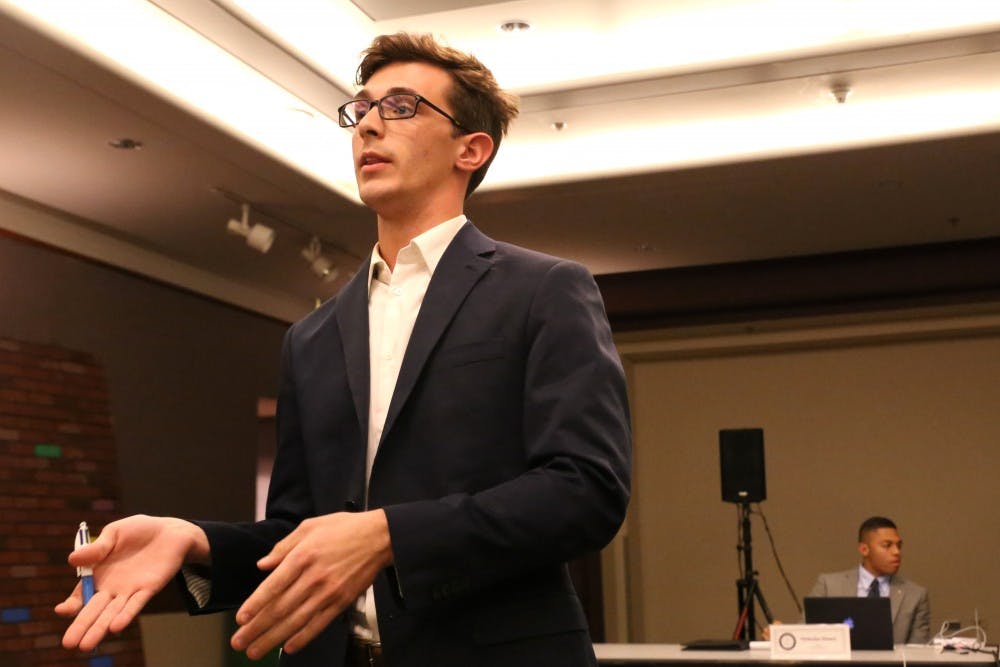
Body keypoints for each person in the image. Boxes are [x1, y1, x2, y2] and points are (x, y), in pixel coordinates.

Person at [55, 32, 632, 667]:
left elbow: (586, 491)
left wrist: (388, 536)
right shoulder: (312, 336)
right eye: (361, 110)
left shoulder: (543, 290)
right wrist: (195, 543)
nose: (369, 126)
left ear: (471, 148)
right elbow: (299, 535)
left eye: (403, 106)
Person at [808, 516, 930, 645]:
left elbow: (917, 651)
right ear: (864, 549)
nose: (896, 552)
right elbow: (805, 634)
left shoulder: (916, 595)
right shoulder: (829, 585)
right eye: (887, 545)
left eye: (899, 546)